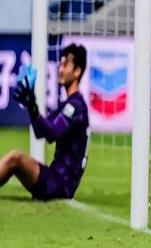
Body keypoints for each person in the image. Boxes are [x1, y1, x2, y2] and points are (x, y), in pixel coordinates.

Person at [0, 44, 89, 201]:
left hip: (60, 184)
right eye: (60, 64)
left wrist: (33, 106)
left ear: (77, 71)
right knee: (16, 159)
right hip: (57, 180)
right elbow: (40, 132)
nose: (60, 69)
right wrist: (30, 106)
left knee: (16, 158)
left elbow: (52, 133)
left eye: (66, 65)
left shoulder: (75, 106)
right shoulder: (70, 104)